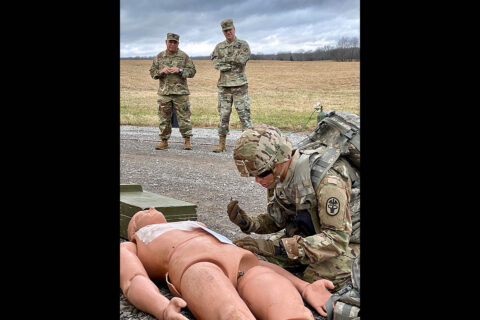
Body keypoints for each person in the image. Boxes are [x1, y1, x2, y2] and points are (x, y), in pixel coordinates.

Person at [120, 207, 334, 320]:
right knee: (232, 313)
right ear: (133, 231)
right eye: (141, 214)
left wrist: (305, 287)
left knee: (283, 303)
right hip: (196, 265)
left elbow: (259, 264)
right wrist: (162, 308)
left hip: (240, 261)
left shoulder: (193, 224)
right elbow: (132, 280)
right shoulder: (134, 243)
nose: (151, 208)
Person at [228, 124, 360, 292]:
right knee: (256, 258)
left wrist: (278, 247)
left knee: (315, 277)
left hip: (349, 240)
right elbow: (279, 219)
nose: (258, 181)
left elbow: (336, 239)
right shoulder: (280, 177)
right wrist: (249, 224)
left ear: (279, 160)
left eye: (261, 174)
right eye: (254, 175)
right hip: (313, 235)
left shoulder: (328, 181)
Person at [210, 19, 252, 152]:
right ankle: (222, 143)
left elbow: (241, 60)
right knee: (223, 115)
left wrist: (225, 61)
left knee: (244, 115)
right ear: (223, 32)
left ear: (234, 29)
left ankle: (248, 145)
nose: (228, 32)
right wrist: (229, 62)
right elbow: (216, 63)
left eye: (230, 30)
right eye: (225, 31)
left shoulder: (243, 45)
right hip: (224, 87)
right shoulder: (219, 47)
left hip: (240, 86)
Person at [150, 33, 196, 150]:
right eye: (170, 42)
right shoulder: (159, 56)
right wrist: (161, 71)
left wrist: (180, 70)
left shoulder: (184, 56)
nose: (172, 44)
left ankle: (187, 141)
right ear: (166, 42)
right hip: (164, 93)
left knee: (184, 117)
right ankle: (164, 141)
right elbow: (152, 73)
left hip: (180, 93)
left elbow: (192, 71)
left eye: (174, 42)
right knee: (164, 118)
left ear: (178, 44)